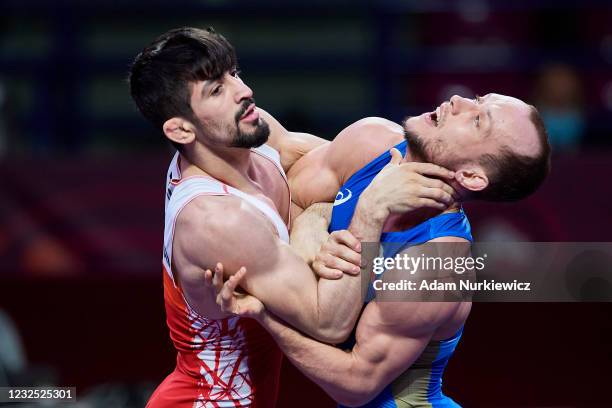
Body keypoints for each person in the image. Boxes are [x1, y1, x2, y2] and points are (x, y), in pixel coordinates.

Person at [128, 27, 456, 407]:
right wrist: (370, 211)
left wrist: (313, 218)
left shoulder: (248, 132)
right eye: (216, 90)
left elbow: (346, 172)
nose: (243, 91)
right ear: (181, 129)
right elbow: (329, 323)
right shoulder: (216, 218)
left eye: (233, 73)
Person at [213, 93, 551, 407]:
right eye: (476, 99)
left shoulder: (436, 267)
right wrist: (312, 221)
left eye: (478, 120)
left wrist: (262, 312)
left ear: (471, 176)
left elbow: (356, 383)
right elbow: (291, 195)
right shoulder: (372, 141)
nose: (458, 100)